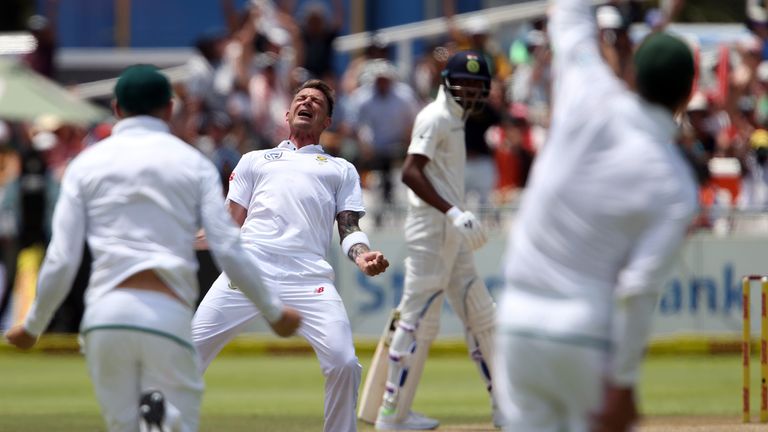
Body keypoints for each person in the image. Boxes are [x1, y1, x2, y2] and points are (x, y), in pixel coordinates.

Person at [4, 64, 301, 432]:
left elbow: (63, 257)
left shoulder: (85, 164)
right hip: (166, 313)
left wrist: (33, 324)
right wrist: (272, 310)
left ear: (116, 109)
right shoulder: (191, 163)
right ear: (169, 108)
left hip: (105, 316)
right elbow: (228, 246)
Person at [493, 0, 698, 431]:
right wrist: (623, 384)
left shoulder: (588, 91)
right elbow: (639, 289)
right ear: (686, 94)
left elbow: (568, 14)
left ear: (633, 74)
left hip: (517, 322)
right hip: (585, 333)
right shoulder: (676, 184)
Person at [191, 79, 390, 432]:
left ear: (327, 121)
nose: (307, 102)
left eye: (316, 101)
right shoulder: (255, 160)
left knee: (344, 363)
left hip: (309, 278)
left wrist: (361, 256)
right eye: (301, 98)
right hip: (248, 272)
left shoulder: (340, 169)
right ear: (287, 113)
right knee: (186, 353)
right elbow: (229, 225)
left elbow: (348, 228)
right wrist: (183, 240)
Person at [370, 50, 499, 430]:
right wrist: (453, 212)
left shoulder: (456, 120)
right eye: (466, 82)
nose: (472, 90)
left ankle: (508, 408)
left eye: (478, 84)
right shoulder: (436, 117)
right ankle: (392, 414)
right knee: (416, 320)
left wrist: (455, 217)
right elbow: (411, 172)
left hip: (450, 232)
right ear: (447, 82)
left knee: (482, 315)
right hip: (432, 229)